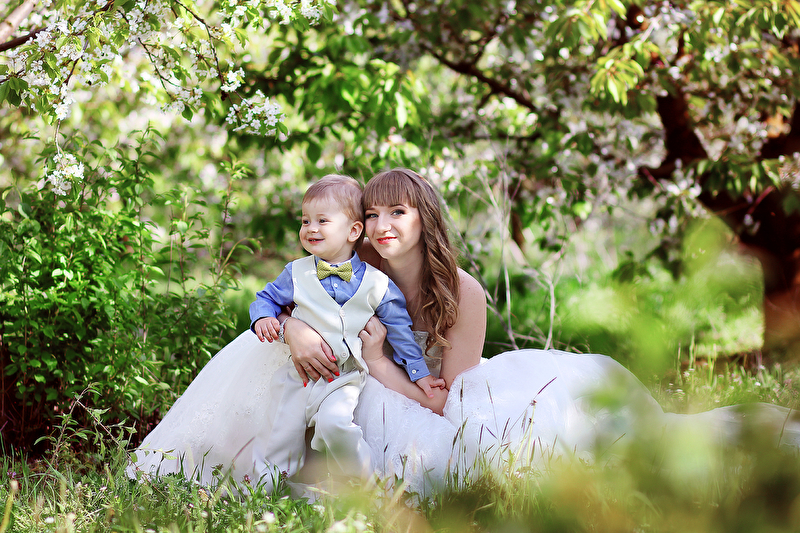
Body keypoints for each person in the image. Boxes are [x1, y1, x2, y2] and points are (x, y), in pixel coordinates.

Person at [128, 168, 800, 498]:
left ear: (424, 218)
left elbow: (448, 398)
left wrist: (378, 365)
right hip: (365, 386)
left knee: (495, 451)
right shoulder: (357, 271)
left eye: (398, 212)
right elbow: (309, 298)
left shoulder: (463, 291)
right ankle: (198, 454)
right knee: (266, 347)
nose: (383, 225)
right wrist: (297, 331)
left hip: (443, 402)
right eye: (373, 214)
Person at [247, 174, 443, 490]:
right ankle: (263, 491)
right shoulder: (295, 272)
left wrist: (420, 374)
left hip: (345, 376)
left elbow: (401, 334)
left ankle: (366, 488)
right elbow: (265, 298)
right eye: (305, 221)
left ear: (353, 231)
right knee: (279, 433)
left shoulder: (378, 284)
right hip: (298, 375)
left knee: (336, 424)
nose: (311, 228)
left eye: (322, 221)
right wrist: (263, 318)